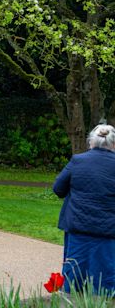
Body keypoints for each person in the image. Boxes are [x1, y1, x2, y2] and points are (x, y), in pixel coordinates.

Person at [53, 124, 115, 294]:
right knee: (105, 283)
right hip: (108, 232)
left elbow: (58, 189)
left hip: (78, 229)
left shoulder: (78, 161)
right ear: (113, 145)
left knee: (73, 280)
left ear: (91, 142)